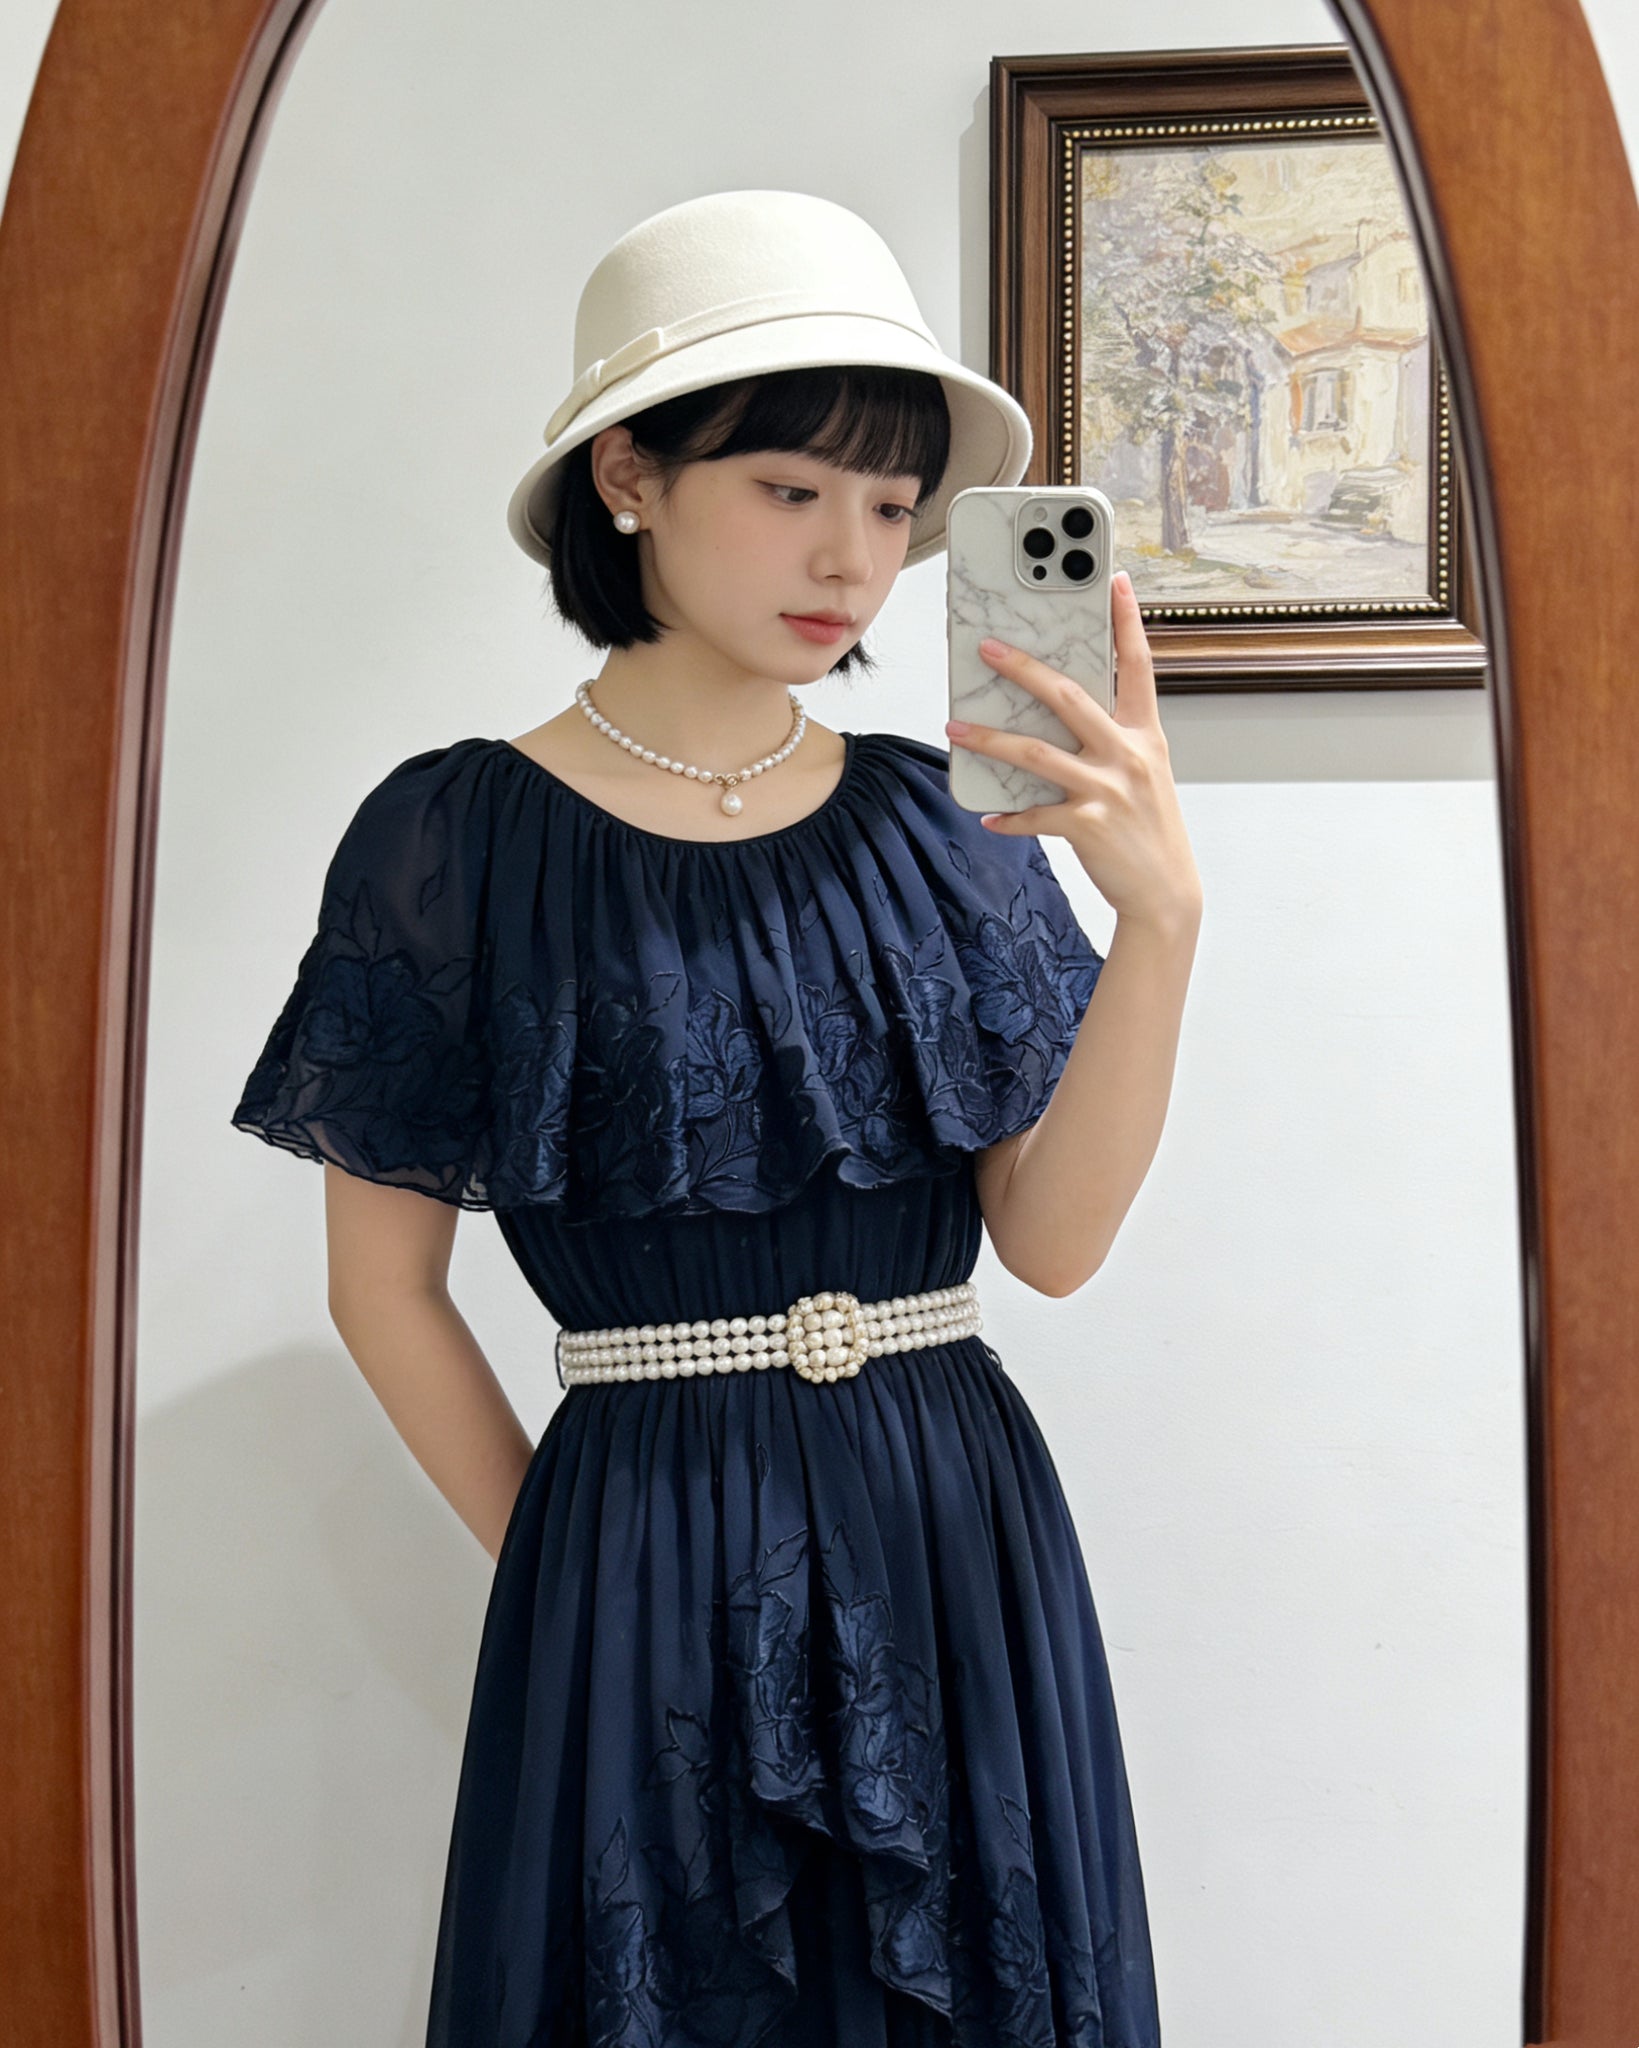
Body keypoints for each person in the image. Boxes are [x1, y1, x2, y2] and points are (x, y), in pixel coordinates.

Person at [231, 188, 1200, 2048]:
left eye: (894, 507)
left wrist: (1159, 919)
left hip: (950, 1526)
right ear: (628, 477)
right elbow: (384, 1287)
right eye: (788, 486)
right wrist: (567, 1571)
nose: (852, 555)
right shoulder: (453, 841)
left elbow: (1055, 1246)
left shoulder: (945, 831)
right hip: (636, 1531)